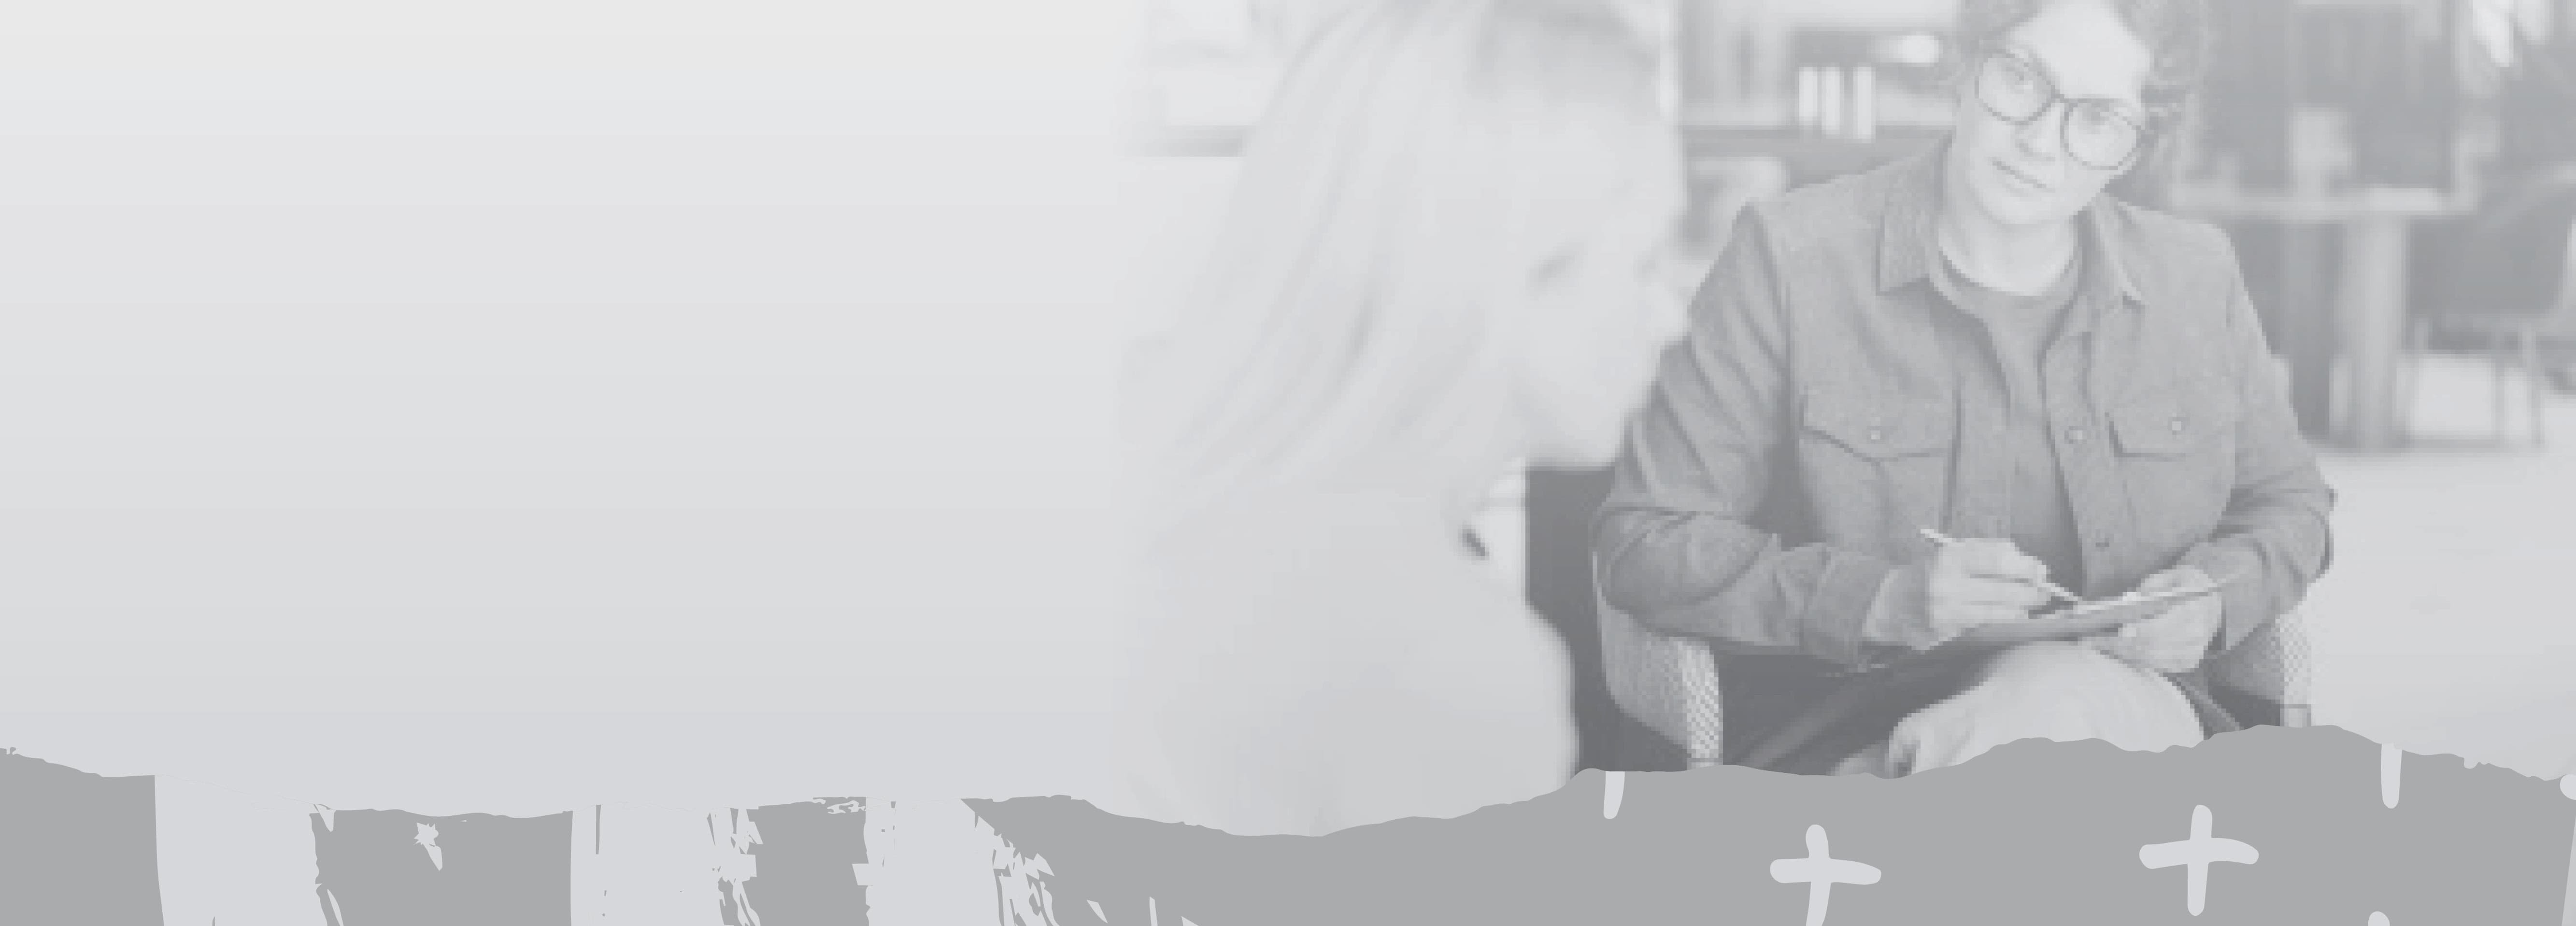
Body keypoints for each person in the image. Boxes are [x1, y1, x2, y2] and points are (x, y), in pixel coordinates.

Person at [1594, 0, 2334, 777]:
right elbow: (1645, 538)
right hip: (1843, 718)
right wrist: (1875, 600)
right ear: (1966, 62)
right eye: (2022, 79)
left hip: (2123, 709)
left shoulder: (2193, 277)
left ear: (2134, 148)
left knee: (2055, 704)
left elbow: (2291, 505)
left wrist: (2215, 601)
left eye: (2098, 119)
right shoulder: (1790, 258)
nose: (2041, 142)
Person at [1109, 0, 1692, 836]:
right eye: (1640, 262)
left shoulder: (1172, 516)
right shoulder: (1445, 662)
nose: (1671, 314)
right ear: (1508, 267)